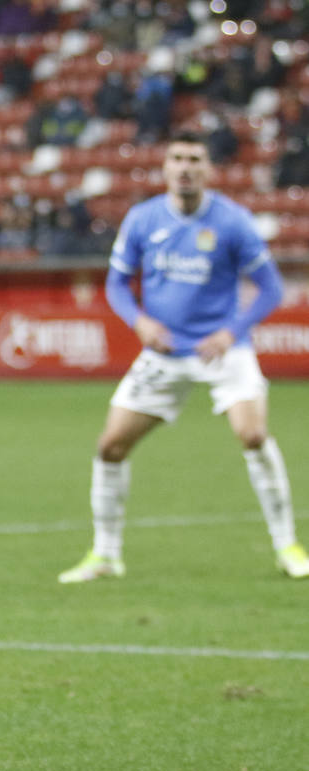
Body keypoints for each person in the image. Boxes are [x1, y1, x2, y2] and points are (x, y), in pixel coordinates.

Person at [58, 132, 309, 584]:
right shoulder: (142, 219)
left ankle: (288, 545)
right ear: (165, 167)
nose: (185, 167)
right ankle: (106, 554)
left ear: (209, 169)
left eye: (195, 158)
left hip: (223, 351)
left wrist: (231, 331)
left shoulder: (232, 222)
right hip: (165, 352)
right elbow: (117, 283)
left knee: (252, 435)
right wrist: (139, 322)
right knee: (110, 446)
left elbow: (270, 287)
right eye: (177, 158)